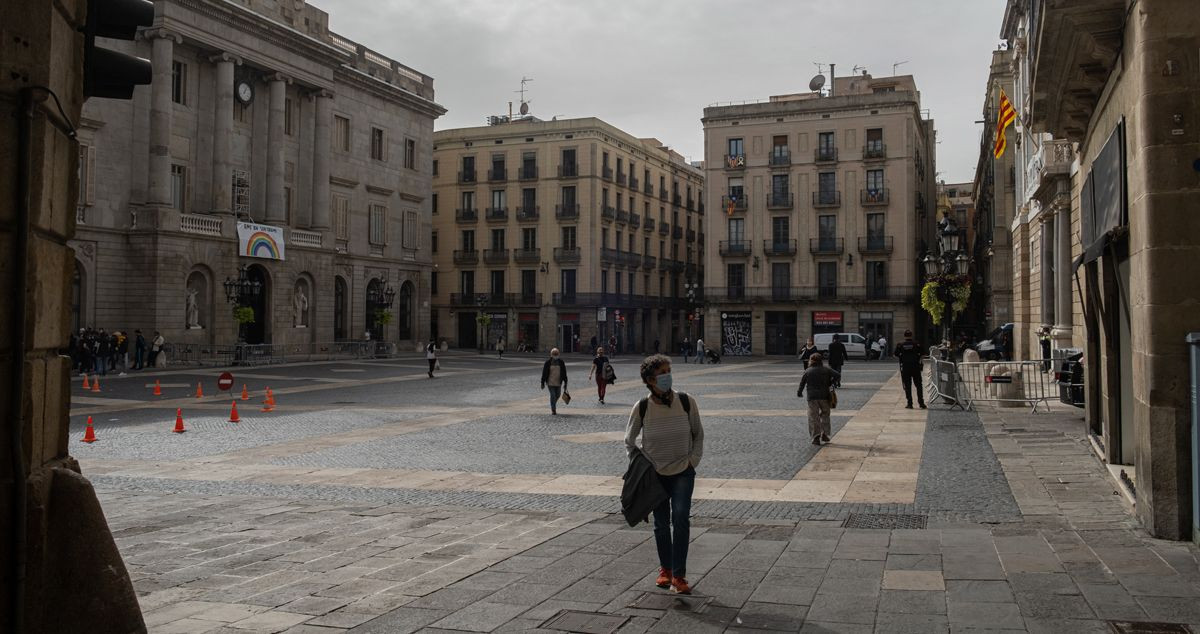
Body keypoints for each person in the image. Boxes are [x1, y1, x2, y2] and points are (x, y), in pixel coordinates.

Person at [624, 354, 703, 595]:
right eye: (662, 373)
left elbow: (698, 433)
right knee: (660, 524)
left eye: (669, 371)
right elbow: (629, 440)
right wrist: (642, 467)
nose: (668, 376)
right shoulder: (643, 407)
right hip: (655, 474)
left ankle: (679, 575)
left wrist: (693, 460)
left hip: (683, 471)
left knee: (680, 518)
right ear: (650, 380)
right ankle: (665, 571)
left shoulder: (686, 401)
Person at [797, 352, 839, 445]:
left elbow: (802, 383)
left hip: (812, 397)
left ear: (811, 361)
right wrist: (830, 382)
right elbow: (837, 375)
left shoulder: (808, 371)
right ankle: (825, 434)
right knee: (825, 415)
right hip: (824, 396)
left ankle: (816, 437)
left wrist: (799, 392)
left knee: (813, 417)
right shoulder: (826, 369)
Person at [893, 329, 927, 409]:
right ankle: (921, 403)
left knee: (907, 386)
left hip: (905, 367)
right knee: (918, 385)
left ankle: (910, 403)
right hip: (915, 366)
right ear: (911, 335)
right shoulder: (917, 344)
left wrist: (902, 356)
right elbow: (924, 354)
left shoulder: (900, 345)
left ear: (904, 336)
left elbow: (895, 355)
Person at [540, 348, 569, 415]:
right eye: (554, 354)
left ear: (559, 354)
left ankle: (552, 404)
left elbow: (564, 372)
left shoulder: (561, 362)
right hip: (550, 382)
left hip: (558, 382)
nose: (555, 355)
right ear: (551, 354)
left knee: (558, 395)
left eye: (556, 354)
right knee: (553, 395)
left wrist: (565, 382)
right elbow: (544, 373)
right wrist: (542, 382)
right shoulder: (548, 363)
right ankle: (553, 409)